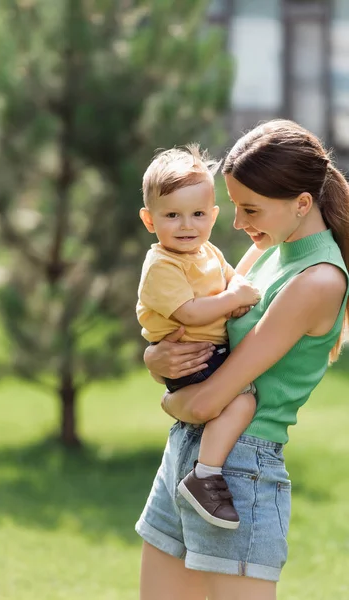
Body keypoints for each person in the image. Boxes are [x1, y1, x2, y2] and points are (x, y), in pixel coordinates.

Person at [135, 119, 349, 600]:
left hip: (237, 473)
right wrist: (155, 357)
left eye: (249, 208)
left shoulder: (317, 280)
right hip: (188, 455)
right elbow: (194, 331)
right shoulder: (264, 254)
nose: (235, 223)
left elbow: (211, 400)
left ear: (301, 204)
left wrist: (171, 403)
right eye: (233, 206)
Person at [137, 145, 260, 529]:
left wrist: (238, 290)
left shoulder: (207, 251)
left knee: (236, 398)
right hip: (190, 358)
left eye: (198, 214)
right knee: (242, 402)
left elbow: (232, 276)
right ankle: (205, 475)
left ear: (213, 215)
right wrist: (231, 301)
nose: (187, 225)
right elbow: (188, 312)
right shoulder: (162, 265)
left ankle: (200, 458)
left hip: (208, 352)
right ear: (149, 220)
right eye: (172, 215)